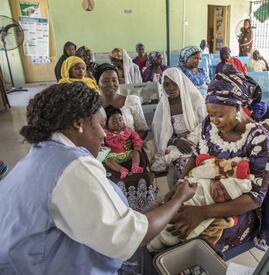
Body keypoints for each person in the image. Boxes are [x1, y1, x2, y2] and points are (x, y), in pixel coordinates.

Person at [0, 82, 196, 274]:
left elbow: (98, 215)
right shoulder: (74, 166)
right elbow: (133, 237)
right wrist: (178, 200)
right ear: (79, 124)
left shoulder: (40, 155)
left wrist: (161, 206)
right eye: (100, 124)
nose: (104, 134)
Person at [164, 74, 269, 254]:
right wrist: (181, 184)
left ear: (238, 108)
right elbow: (196, 155)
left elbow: (255, 198)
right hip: (205, 191)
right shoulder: (209, 125)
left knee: (186, 239)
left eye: (220, 115)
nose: (214, 120)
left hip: (238, 208)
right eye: (210, 114)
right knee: (169, 216)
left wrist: (203, 212)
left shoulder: (260, 141)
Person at [147, 154, 252, 251]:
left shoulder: (215, 205)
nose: (220, 193)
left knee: (166, 238)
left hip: (180, 224)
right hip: (173, 207)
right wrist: (180, 184)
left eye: (225, 196)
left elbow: (250, 202)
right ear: (217, 181)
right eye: (221, 187)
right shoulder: (203, 181)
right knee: (152, 222)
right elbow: (197, 159)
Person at [95, 64, 157, 213]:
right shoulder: (93, 105)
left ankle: (142, 211)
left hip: (131, 150)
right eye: (106, 81)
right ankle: (118, 213)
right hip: (106, 153)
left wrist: (131, 142)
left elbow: (142, 129)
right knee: (108, 180)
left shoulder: (131, 101)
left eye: (114, 80)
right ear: (98, 82)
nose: (111, 84)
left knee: (140, 176)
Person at [152, 68, 207, 185]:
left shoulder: (195, 100)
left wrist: (196, 141)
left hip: (199, 142)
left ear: (181, 82)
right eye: (166, 84)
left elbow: (206, 126)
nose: (171, 88)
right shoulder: (163, 106)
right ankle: (184, 196)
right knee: (183, 166)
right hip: (178, 146)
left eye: (174, 82)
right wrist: (176, 141)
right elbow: (161, 134)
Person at [104, 106, 144, 180]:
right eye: (114, 122)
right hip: (114, 155)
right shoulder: (105, 133)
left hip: (127, 153)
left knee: (136, 153)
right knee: (108, 161)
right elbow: (101, 143)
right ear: (106, 124)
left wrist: (137, 145)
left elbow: (136, 137)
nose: (118, 123)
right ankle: (122, 170)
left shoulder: (127, 130)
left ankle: (135, 167)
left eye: (120, 120)